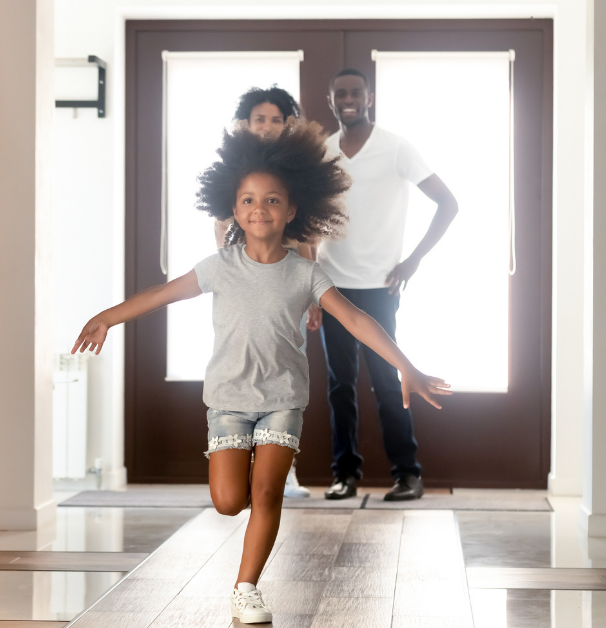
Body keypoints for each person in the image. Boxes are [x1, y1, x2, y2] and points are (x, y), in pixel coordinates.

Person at [72, 121, 450, 624]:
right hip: (228, 400)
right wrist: (106, 317)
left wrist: (408, 366)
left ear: (292, 210)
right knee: (230, 501)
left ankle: (246, 587)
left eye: (272, 200)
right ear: (234, 210)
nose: (259, 209)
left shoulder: (306, 272)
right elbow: (160, 295)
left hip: (282, 398)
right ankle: (247, 493)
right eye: (248, 200)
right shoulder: (217, 266)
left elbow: (358, 319)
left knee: (266, 492)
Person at [312, 68, 460, 502]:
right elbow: (306, 222)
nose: (349, 99)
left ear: (369, 97)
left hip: (379, 287)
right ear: (331, 99)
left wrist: (413, 261)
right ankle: (345, 475)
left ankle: (407, 474)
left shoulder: (395, 148)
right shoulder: (322, 152)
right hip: (331, 284)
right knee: (340, 386)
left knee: (387, 379)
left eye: (356, 92)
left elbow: (449, 204)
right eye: (341, 93)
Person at [215, 85, 314, 499]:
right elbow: (222, 225)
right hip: (243, 280)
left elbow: (309, 234)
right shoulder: (233, 169)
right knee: (242, 363)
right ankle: (242, 452)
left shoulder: (299, 168)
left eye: (278, 119)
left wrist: (312, 291)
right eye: (261, 119)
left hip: (289, 284)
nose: (269, 126)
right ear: (246, 124)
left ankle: (281, 467)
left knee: (284, 370)